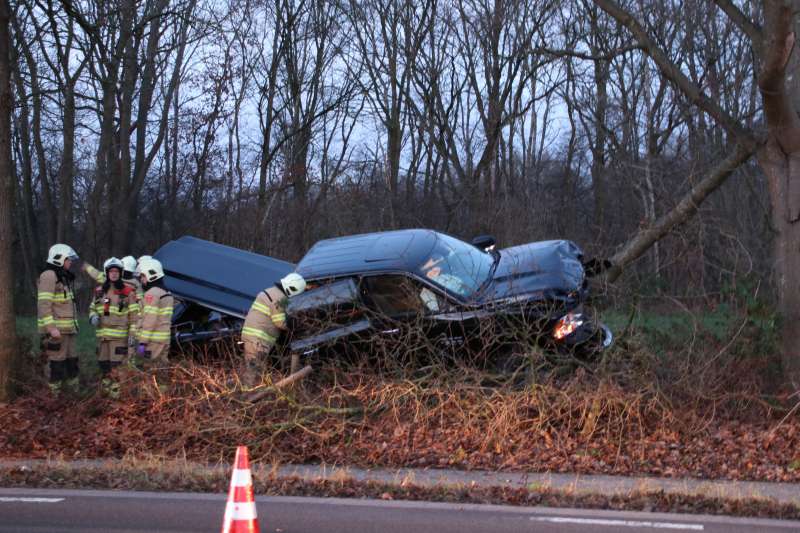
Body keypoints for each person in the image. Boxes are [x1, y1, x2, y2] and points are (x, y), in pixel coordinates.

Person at [240, 273, 306, 386]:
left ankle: (249, 390)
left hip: (253, 336)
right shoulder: (279, 298)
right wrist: (295, 327)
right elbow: (280, 323)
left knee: (254, 369)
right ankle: (249, 391)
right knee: (255, 371)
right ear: (294, 289)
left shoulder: (270, 291)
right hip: (258, 339)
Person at [89, 258, 138, 397]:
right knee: (104, 368)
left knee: (116, 369)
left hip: (119, 338)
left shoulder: (128, 292)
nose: (114, 273)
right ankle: (104, 396)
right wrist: (92, 317)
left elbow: (134, 316)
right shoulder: (98, 291)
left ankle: (115, 399)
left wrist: (132, 336)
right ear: (107, 273)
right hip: (102, 339)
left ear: (121, 273)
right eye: (111, 271)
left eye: (117, 271)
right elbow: (92, 308)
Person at [37, 244, 80, 394]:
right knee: (55, 364)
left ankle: (73, 394)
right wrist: (51, 328)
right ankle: (52, 397)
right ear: (59, 259)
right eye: (68, 259)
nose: (70, 262)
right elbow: (44, 304)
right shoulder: (49, 276)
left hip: (68, 331)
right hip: (56, 332)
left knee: (72, 363)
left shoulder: (62, 277)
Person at [135, 258, 173, 364]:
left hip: (153, 342)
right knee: (161, 369)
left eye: (143, 275)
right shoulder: (167, 293)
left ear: (150, 275)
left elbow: (150, 320)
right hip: (164, 340)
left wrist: (142, 342)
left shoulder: (152, 293)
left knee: (150, 370)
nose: (141, 279)